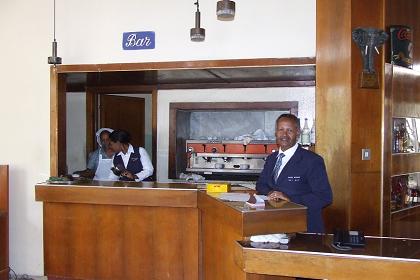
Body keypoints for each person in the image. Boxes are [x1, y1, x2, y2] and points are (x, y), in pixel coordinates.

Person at [256, 114, 333, 233]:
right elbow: (261, 185)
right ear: (276, 133)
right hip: (274, 225)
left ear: (298, 133)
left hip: (304, 228)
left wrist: (290, 199)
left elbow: (324, 197)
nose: (284, 135)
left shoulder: (312, 160)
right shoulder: (272, 159)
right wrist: (271, 193)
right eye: (281, 130)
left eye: (289, 130)